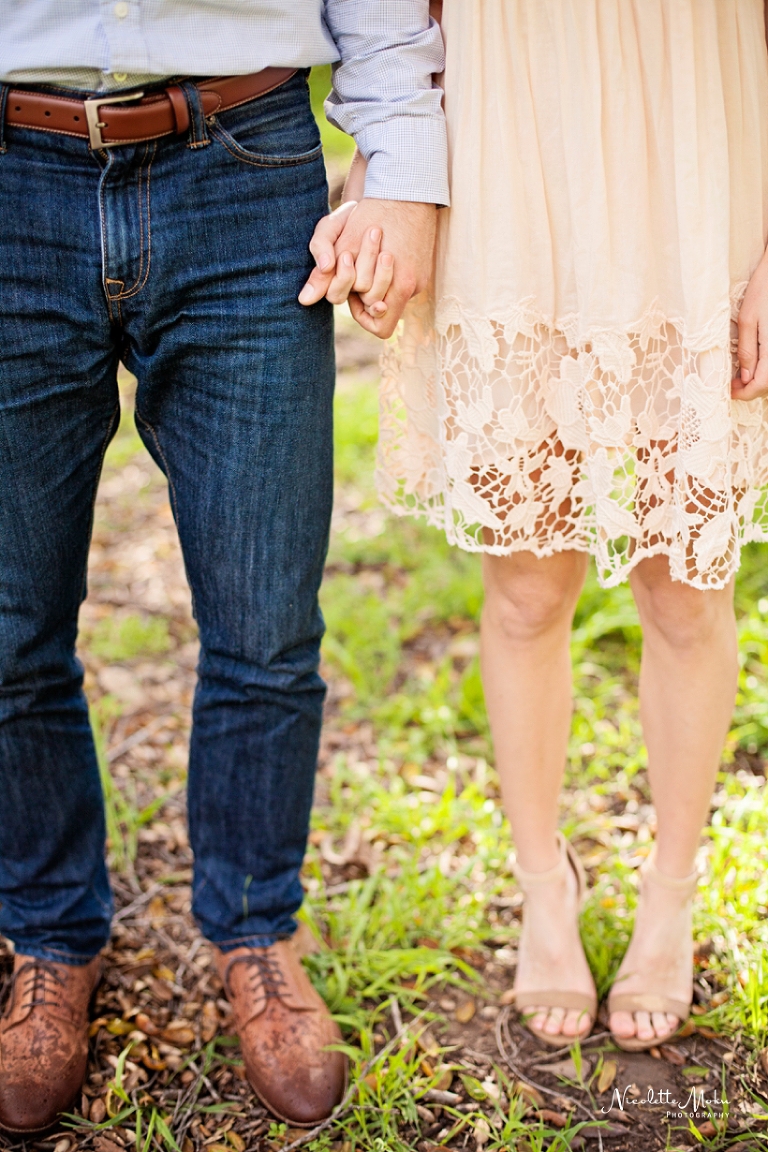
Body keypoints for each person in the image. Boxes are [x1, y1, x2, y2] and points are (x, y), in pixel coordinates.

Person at [0, 1, 447, 1134]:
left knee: (265, 623)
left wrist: (404, 172)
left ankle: (256, 929)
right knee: (7, 633)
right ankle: (50, 937)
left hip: (245, 169)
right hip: (8, 177)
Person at [304, 0, 768, 1052]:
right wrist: (392, 165)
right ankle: (540, 887)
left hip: (704, 155)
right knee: (525, 585)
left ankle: (672, 891)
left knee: (687, 584)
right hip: (507, 158)